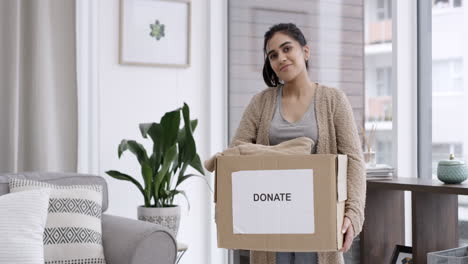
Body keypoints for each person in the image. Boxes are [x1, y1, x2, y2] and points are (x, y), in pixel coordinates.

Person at [229, 23, 366, 264]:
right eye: (273, 55)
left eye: (286, 49)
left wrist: (353, 214)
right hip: (270, 219)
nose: (280, 58)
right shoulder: (260, 103)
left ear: (305, 51)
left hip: (318, 220)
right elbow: (237, 150)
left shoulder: (333, 100)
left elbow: (354, 161)